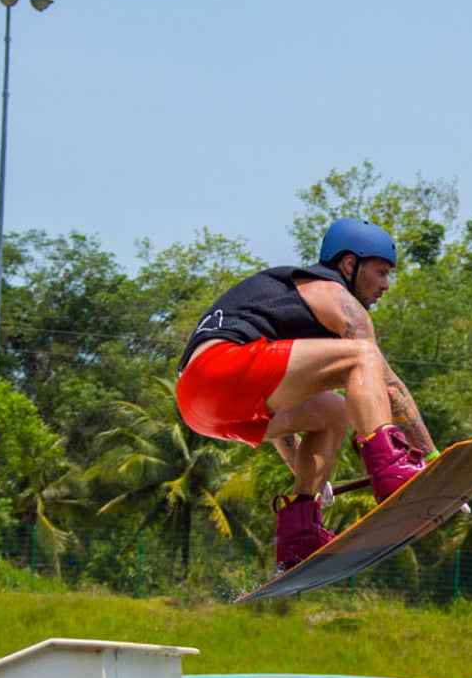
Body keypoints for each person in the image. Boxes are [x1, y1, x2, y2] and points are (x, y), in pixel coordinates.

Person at [175, 218, 439, 569]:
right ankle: (391, 467)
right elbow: (388, 384)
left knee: (333, 411)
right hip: (219, 367)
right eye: (380, 272)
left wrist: (312, 482)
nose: (386, 285)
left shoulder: (285, 314)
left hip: (200, 405)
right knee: (365, 356)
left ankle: (300, 530)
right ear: (350, 264)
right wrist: (435, 462)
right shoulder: (331, 294)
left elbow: (277, 417)